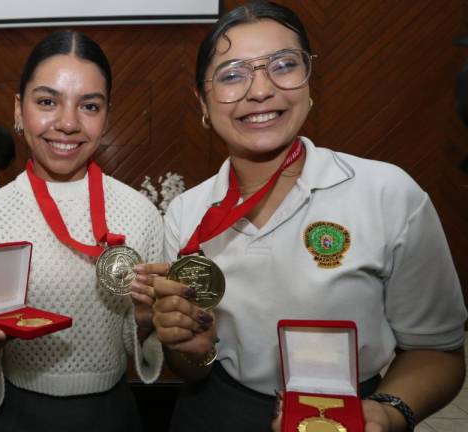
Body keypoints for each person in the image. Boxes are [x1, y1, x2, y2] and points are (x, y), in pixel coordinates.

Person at [139, 2, 467, 432]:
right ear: (203, 101)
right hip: (216, 409)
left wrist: (388, 412)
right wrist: (191, 346)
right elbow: (193, 367)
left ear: (310, 83)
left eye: (283, 65)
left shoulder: (388, 193)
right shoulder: (187, 212)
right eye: (233, 74)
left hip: (351, 416)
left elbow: (439, 353)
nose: (260, 90)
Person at [0, 30, 164, 431]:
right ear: (18, 109)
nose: (66, 123)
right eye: (47, 102)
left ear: (107, 115)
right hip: (10, 414)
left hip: (111, 413)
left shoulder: (141, 214)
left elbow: (143, 342)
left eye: (90, 106)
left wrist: (149, 322)